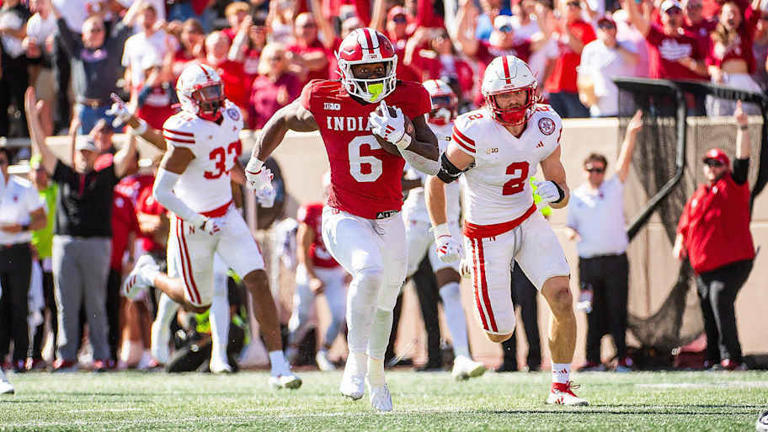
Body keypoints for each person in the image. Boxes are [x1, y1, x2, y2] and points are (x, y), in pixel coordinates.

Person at [245, 28, 439, 411]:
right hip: (343, 214)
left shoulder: (407, 97)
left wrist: (403, 140)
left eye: (379, 68)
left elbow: (433, 163)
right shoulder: (324, 97)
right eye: (364, 70)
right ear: (346, 70)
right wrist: (255, 163)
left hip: (390, 215)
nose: (373, 77)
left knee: (386, 300)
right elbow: (283, 119)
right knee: (368, 272)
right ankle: (353, 357)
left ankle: (378, 379)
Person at [120, 63, 300, 388]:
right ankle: (148, 273)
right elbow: (161, 192)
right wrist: (198, 220)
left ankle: (279, 367)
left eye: (216, 91)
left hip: (227, 214)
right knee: (196, 302)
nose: (213, 100)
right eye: (205, 94)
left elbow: (225, 161)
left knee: (257, 279)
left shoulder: (230, 117)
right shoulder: (185, 132)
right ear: (189, 99)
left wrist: (252, 181)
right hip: (194, 225)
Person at [425, 55, 587, 405]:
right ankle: (476, 265)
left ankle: (561, 387)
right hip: (485, 234)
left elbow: (561, 190)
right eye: (504, 95)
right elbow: (436, 183)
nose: (513, 100)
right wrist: (443, 233)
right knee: (500, 333)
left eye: (518, 93)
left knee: (562, 296)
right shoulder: (474, 130)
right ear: (490, 99)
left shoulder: (546, 122)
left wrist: (555, 193)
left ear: (532, 92)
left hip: (528, 218)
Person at [24, 86, 137, 372]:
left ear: (96, 154)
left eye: (89, 152)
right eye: (82, 152)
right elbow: (41, 146)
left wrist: (133, 122)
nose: (85, 156)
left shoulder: (105, 175)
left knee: (97, 300)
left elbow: (127, 155)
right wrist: (30, 116)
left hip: (97, 244)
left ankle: (101, 353)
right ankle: (67, 354)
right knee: (66, 302)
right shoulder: (64, 174)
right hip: (66, 243)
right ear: (76, 154)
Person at [402, 79, 486, 380]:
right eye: (434, 102)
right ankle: (365, 353)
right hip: (415, 219)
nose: (439, 109)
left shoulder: (460, 132)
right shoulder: (414, 132)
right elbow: (401, 181)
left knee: (451, 291)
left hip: (448, 223)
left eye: (444, 101)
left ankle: (463, 356)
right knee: (391, 283)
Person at [673, 101, 755, 371]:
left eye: (717, 163)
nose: (711, 167)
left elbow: (743, 159)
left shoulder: (732, 185)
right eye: (708, 163)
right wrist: (679, 243)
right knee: (708, 307)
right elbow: (685, 225)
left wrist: (742, 126)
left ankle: (733, 357)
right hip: (704, 267)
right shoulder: (699, 195)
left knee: (720, 298)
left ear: (724, 166)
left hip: (732, 262)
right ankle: (713, 357)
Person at [565, 110, 642, 372]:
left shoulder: (613, 187)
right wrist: (570, 233)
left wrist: (631, 134)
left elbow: (624, 162)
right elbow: (569, 225)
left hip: (615, 261)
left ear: (604, 171)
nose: (595, 174)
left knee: (617, 308)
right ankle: (593, 359)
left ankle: (621, 357)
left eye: (599, 170)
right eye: (590, 170)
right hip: (589, 263)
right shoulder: (576, 196)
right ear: (584, 171)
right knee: (591, 310)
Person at [286, 174, 348, 372]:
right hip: (312, 268)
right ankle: (290, 351)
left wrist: (350, 268)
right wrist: (312, 277)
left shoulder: (348, 213)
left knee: (339, 315)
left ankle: (324, 352)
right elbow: (302, 247)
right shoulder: (313, 211)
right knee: (302, 316)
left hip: (335, 270)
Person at [0, 147, 47, 372]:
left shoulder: (24, 188)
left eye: (1, 161)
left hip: (19, 250)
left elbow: (42, 220)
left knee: (19, 304)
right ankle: (2, 357)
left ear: (7, 163)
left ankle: (20, 356)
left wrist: (22, 227)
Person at [577, 16, 639, 117]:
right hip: (600, 108)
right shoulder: (590, 49)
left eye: (609, 26)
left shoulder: (627, 44)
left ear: (615, 29)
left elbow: (635, 60)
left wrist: (616, 46)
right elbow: (583, 74)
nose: (605, 30)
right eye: (601, 27)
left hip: (624, 107)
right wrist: (583, 94)